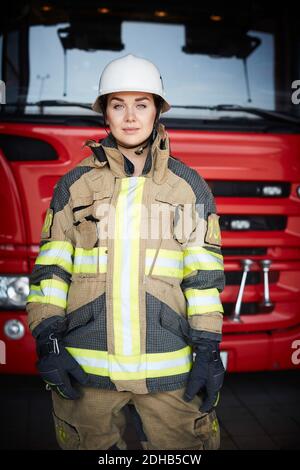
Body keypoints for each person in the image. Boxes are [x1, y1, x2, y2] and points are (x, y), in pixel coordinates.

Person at [26, 53, 225, 450]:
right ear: (105, 114)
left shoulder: (187, 186)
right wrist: (47, 341)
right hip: (87, 372)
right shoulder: (75, 187)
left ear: (156, 112)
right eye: (118, 105)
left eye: (141, 104)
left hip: (171, 374)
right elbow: (51, 272)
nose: (130, 117)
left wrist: (207, 348)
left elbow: (203, 277)